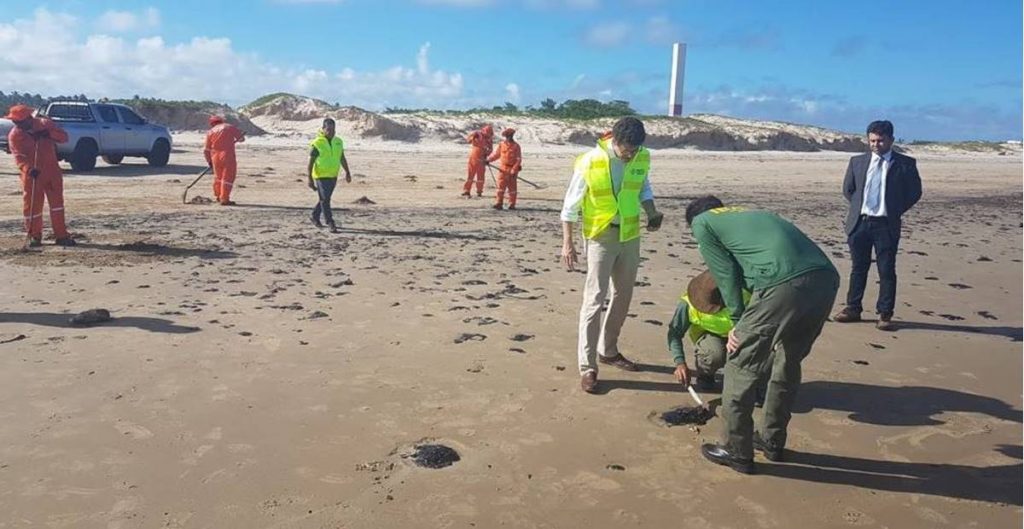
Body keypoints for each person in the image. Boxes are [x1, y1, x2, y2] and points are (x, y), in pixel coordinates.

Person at [685, 196, 838, 474]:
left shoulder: (702, 222)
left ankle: (736, 450)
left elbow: (725, 274)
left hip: (783, 280)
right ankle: (772, 441)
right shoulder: (749, 214)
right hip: (826, 278)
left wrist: (737, 321)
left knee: (741, 363)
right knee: (787, 360)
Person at [560, 116, 664, 394]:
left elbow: (643, 187)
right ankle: (588, 367)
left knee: (623, 295)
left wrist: (651, 211)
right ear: (614, 141)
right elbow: (570, 206)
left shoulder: (642, 157)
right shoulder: (590, 161)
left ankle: (609, 350)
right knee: (594, 299)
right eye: (626, 150)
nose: (630, 155)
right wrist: (567, 243)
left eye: (634, 150)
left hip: (630, 236)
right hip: (600, 236)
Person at [833, 120, 922, 331]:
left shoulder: (905, 163)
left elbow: (914, 192)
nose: (876, 144)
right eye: (872, 140)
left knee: (886, 270)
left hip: (886, 225)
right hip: (860, 223)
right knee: (858, 268)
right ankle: (853, 308)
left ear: (891, 140)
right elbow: (849, 190)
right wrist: (859, 208)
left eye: (880, 140)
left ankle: (885, 313)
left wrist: (894, 209)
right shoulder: (857, 162)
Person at [5, 104, 75, 247]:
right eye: (15, 122)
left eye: (19, 121)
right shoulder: (15, 135)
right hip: (32, 175)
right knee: (32, 207)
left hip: (52, 172)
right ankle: (34, 236)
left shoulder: (45, 124)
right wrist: (28, 169)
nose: (17, 124)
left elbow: (64, 137)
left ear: (29, 118)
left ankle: (61, 235)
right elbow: (18, 157)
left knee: (57, 206)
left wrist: (48, 134)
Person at [668, 270, 751, 391]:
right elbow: (674, 333)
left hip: (741, 334)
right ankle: (706, 375)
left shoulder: (746, 298)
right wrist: (680, 363)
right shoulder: (687, 304)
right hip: (709, 336)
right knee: (714, 354)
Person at [307, 118, 351, 233]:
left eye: (333, 129)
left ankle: (314, 216)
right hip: (320, 175)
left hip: (333, 175)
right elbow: (310, 162)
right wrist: (309, 179)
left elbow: (342, 157)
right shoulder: (317, 143)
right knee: (325, 199)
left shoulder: (338, 142)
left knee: (324, 199)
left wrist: (347, 172)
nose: (331, 132)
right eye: (328, 129)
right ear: (323, 129)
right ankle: (330, 222)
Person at [203, 115, 245, 206]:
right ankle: (224, 199)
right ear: (221, 121)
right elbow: (242, 139)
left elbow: (206, 150)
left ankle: (218, 196)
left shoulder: (210, 132)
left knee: (218, 178)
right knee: (227, 178)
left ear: (212, 124)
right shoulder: (229, 127)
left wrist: (209, 161)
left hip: (215, 157)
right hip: (227, 156)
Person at [487, 128, 522, 210]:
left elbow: (518, 159)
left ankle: (512, 204)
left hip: (512, 169)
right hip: (502, 168)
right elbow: (496, 155)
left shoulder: (516, 146)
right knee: (500, 187)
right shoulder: (501, 144)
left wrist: (514, 169)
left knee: (512, 188)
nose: (507, 138)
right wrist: (488, 160)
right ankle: (499, 203)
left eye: (509, 136)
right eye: (506, 136)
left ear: (512, 136)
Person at [461, 124, 493, 198]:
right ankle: (466, 190)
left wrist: (487, 155)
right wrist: (472, 137)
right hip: (473, 157)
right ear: (484, 131)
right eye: (488, 133)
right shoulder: (477, 134)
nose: (488, 135)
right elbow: (468, 140)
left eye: (490, 133)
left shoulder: (489, 139)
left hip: (482, 159)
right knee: (470, 175)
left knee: (481, 176)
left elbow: (491, 149)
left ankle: (479, 191)